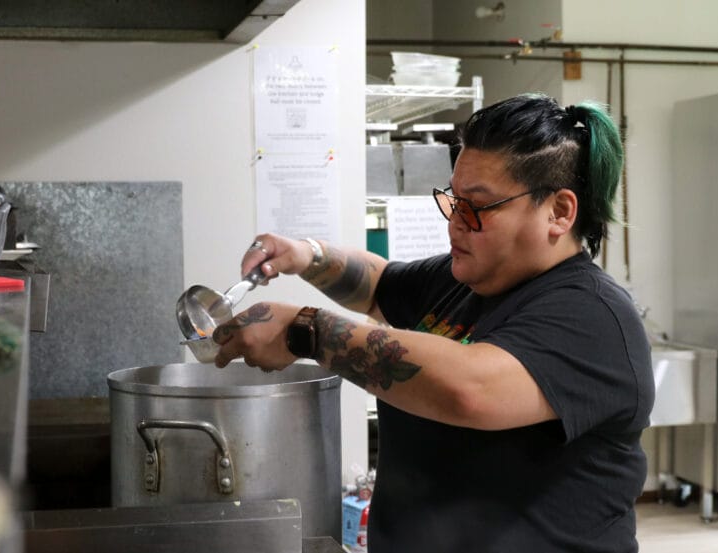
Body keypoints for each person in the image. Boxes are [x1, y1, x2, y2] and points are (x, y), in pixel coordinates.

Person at [212, 93, 654, 553]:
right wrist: (305, 254)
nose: (455, 223)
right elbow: (378, 283)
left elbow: (471, 389)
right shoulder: (463, 279)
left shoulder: (594, 315)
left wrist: (306, 330)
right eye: (453, 199)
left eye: (477, 206)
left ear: (559, 212)